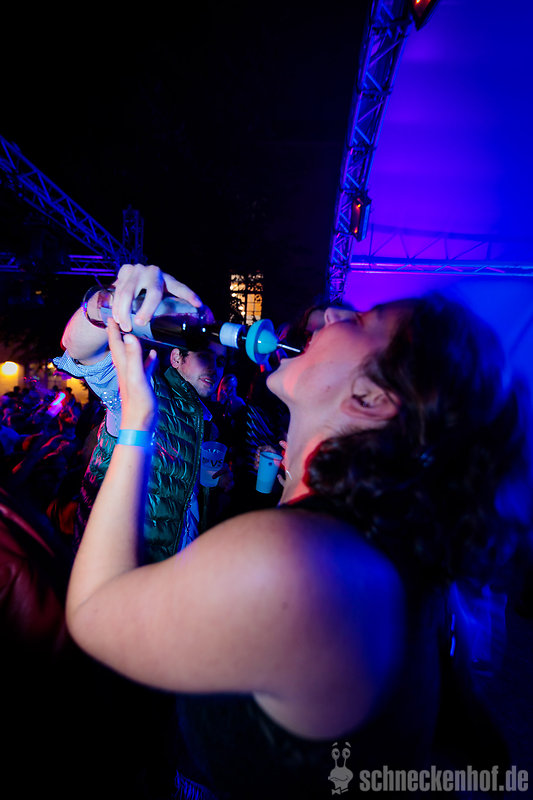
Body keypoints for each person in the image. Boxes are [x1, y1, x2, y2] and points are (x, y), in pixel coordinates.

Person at [65, 270, 532, 799]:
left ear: (370, 398)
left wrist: (136, 422)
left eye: (362, 322)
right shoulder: (377, 548)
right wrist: (106, 303)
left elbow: (93, 611)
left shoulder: (295, 561)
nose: (333, 313)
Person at [53, 264, 228, 563]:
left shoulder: (207, 424)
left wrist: (215, 489)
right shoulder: (145, 388)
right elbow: (79, 350)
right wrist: (109, 302)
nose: (214, 368)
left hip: (175, 574)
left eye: (221, 362)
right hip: (118, 571)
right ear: (177, 357)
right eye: (205, 357)